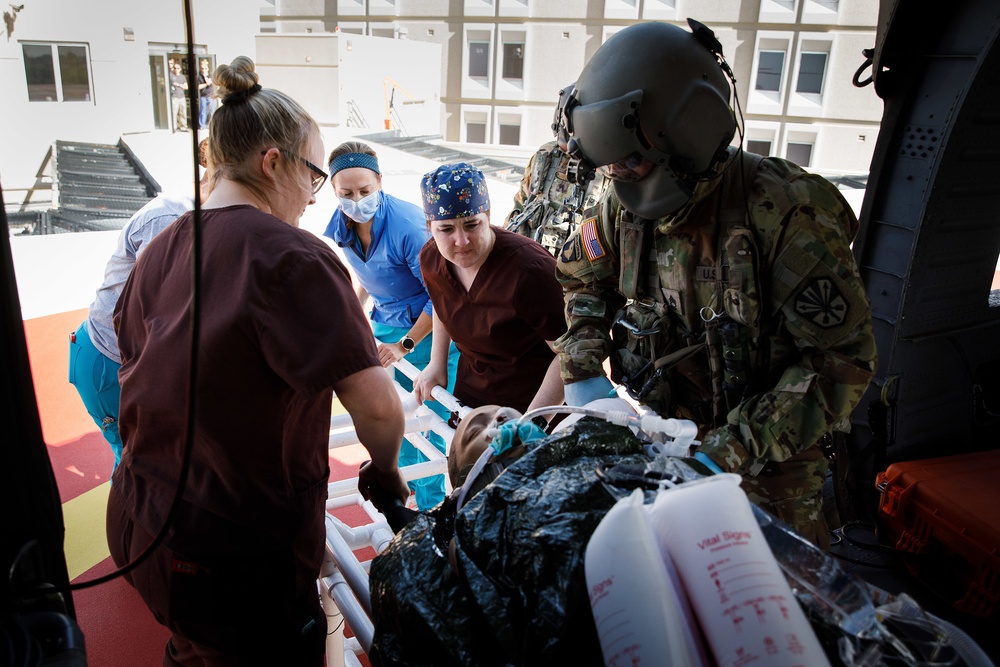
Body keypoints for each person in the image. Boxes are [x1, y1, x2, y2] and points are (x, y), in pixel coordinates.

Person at [106, 63, 408, 666]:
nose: (313, 196)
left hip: (141, 520)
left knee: (194, 647)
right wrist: (385, 467)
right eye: (314, 175)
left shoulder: (162, 247)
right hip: (231, 551)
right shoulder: (291, 257)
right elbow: (376, 405)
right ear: (273, 163)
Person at [552, 20, 877, 548]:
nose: (618, 175)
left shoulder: (788, 215)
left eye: (630, 162)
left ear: (685, 136)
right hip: (666, 441)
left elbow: (840, 363)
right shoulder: (624, 205)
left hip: (773, 468)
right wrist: (583, 367)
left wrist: (725, 452)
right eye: (612, 166)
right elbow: (582, 281)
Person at [322, 140, 458, 511]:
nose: (357, 199)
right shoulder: (340, 224)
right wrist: (355, 320)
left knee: (428, 421)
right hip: (384, 327)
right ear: (333, 190)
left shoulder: (409, 227)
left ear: (380, 181)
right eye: (346, 192)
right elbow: (364, 276)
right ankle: (405, 491)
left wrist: (406, 346)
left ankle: (429, 505)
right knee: (396, 421)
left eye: (365, 190)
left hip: (427, 330)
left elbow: (442, 298)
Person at [69, 139, 211, 474]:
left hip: (125, 355)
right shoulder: (171, 218)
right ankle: (129, 523)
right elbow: (156, 313)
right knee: (137, 462)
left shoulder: (203, 217)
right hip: (108, 359)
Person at [413, 162, 567, 417]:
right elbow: (443, 298)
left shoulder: (531, 272)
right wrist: (437, 362)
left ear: (488, 215)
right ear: (430, 226)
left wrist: (532, 423)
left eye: (472, 225)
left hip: (535, 403)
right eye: (446, 229)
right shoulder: (432, 258)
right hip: (473, 397)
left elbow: (568, 354)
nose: (461, 242)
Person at [505, 136, 609, 257]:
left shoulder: (610, 168)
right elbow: (521, 205)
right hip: (528, 257)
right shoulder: (547, 152)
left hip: (572, 266)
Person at [169, 60, 189, 132]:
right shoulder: (171, 75)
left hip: (182, 96)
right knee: (174, 112)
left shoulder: (182, 77)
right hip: (174, 96)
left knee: (183, 112)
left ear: (180, 69)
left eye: (177, 68)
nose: (176, 69)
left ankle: (183, 127)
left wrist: (179, 85)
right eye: (175, 68)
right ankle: (174, 127)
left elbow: (186, 87)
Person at [197, 58, 216, 129]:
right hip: (203, 96)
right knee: (203, 112)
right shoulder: (199, 77)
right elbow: (198, 87)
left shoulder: (211, 75)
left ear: (207, 68)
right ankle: (202, 125)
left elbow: (209, 82)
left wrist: (205, 76)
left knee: (212, 112)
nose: (203, 70)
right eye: (202, 68)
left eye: (205, 68)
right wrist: (205, 84)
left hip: (211, 96)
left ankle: (212, 125)